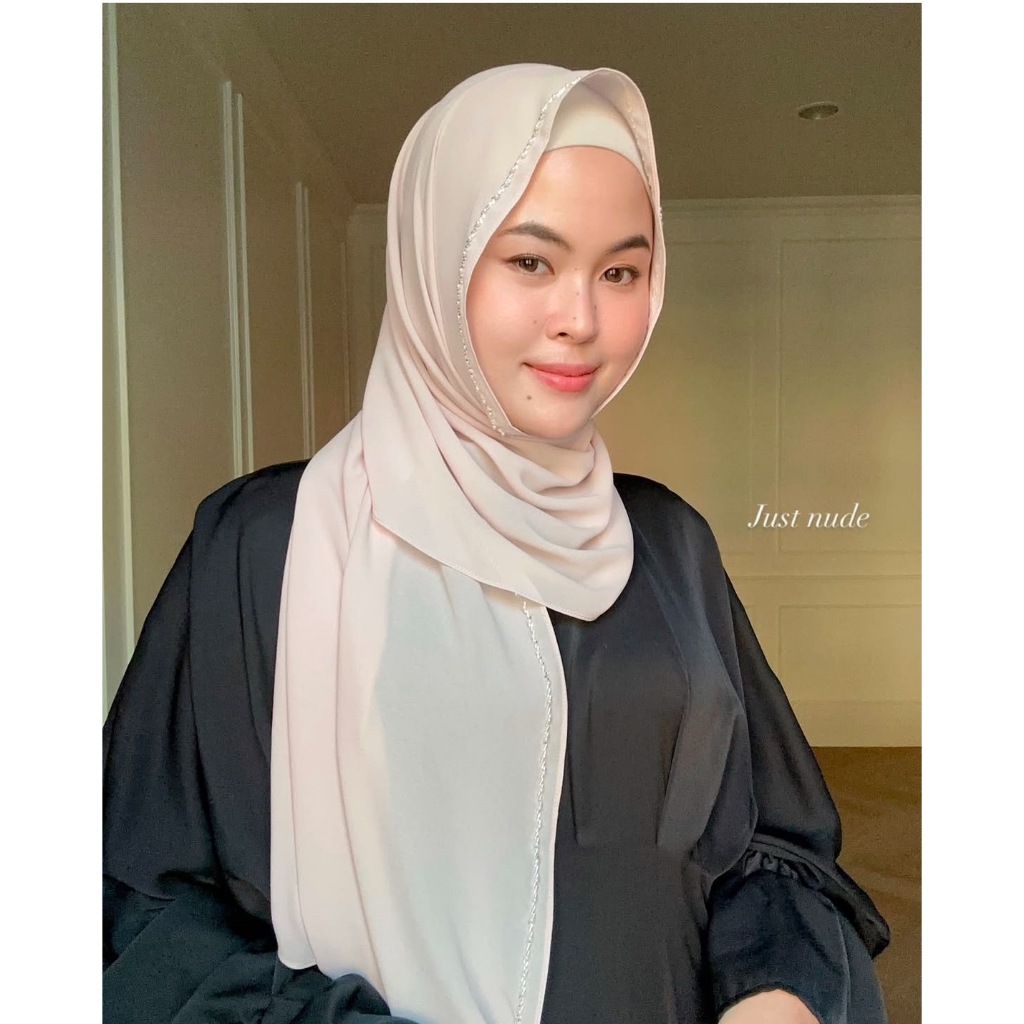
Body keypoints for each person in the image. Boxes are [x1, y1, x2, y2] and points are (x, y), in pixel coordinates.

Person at [103, 64, 890, 1024]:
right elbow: (145, 908)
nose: (580, 321)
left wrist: (776, 989)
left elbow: (768, 844)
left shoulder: (670, 546)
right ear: (433, 263)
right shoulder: (261, 546)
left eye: (621, 272)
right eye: (530, 261)